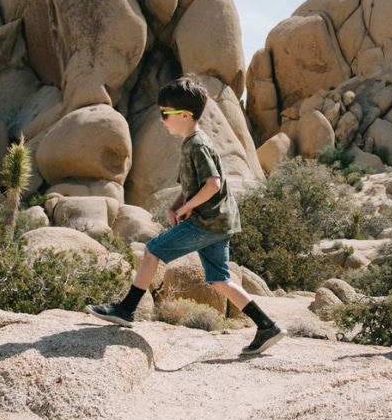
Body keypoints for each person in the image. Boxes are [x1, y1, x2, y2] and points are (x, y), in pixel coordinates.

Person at [85, 77, 285, 356]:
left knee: (152, 251)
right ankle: (267, 326)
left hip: (207, 223)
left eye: (165, 114)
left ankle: (126, 309)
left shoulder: (197, 145)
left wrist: (184, 209)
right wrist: (177, 204)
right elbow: (192, 185)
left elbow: (213, 184)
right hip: (220, 222)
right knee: (220, 279)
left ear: (185, 115)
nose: (162, 119)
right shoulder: (193, 142)